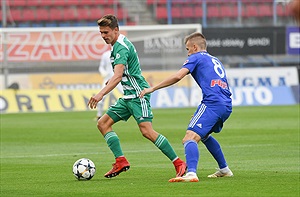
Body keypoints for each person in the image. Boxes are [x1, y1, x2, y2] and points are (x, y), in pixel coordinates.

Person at [87, 14, 186, 179]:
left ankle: (179, 163)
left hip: (139, 94)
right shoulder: (119, 44)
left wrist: (100, 94)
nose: (103, 36)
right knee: (103, 123)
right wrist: (110, 82)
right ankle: (120, 161)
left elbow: (118, 76)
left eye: (106, 32)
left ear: (116, 30)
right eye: (101, 33)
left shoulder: (120, 48)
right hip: (128, 96)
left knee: (147, 131)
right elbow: (120, 75)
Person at [139, 32, 233, 182]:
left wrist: (153, 88)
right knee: (204, 135)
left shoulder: (195, 57)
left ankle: (191, 173)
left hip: (212, 103)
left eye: (188, 49)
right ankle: (224, 169)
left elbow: (177, 76)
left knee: (189, 137)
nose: (188, 53)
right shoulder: (215, 60)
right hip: (226, 104)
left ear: (195, 47)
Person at [96, 49, 123, 120]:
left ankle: (131, 112)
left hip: (118, 78)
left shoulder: (120, 52)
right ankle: (99, 115)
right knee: (101, 97)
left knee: (126, 95)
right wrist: (104, 73)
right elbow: (101, 67)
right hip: (107, 79)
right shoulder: (106, 55)